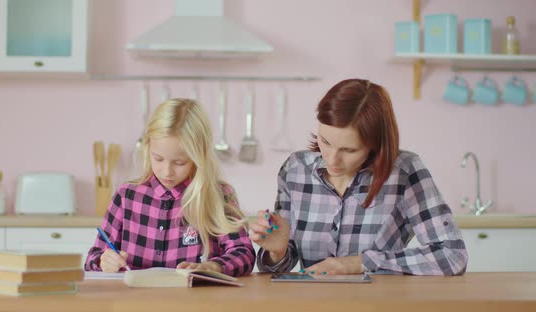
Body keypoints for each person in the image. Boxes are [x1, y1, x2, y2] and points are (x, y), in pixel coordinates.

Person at [250, 79, 468, 276]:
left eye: (349, 150)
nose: (332, 160)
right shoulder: (296, 169)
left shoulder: (404, 172)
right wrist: (277, 251)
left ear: (375, 145)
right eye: (325, 142)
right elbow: (278, 269)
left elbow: (452, 256)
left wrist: (359, 263)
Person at [85, 98, 255, 276]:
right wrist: (103, 261)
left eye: (179, 162)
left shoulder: (218, 195)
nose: (167, 172)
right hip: (134, 303)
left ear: (199, 157)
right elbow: (92, 258)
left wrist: (215, 266)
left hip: (196, 303)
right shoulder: (126, 196)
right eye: (158, 158)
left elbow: (244, 253)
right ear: (148, 147)